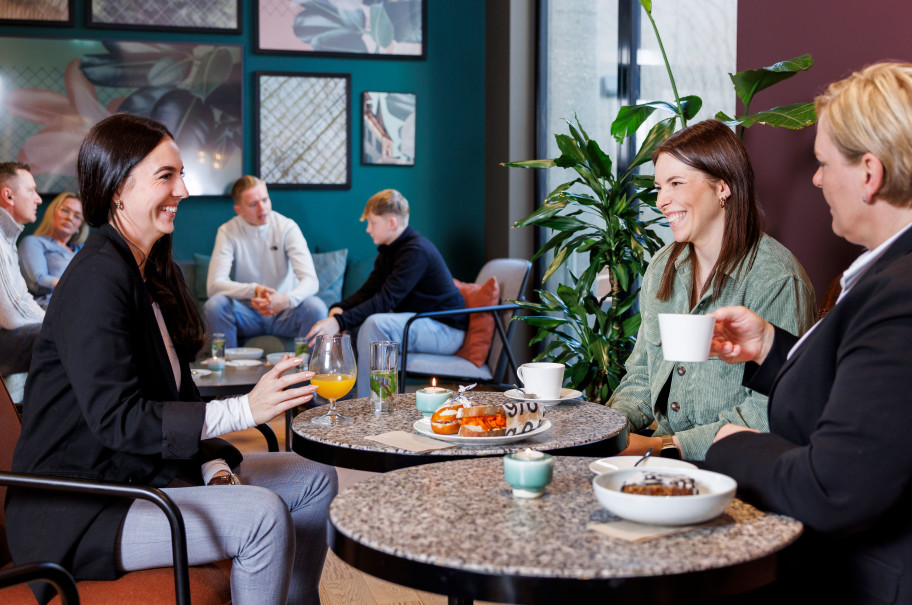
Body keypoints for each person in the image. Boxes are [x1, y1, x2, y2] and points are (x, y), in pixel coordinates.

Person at [5, 114, 337, 605]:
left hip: (140, 473)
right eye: (167, 176)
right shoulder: (95, 278)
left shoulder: (149, 272)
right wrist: (247, 408)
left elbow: (173, 399)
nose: (183, 189)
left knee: (314, 477)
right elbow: (118, 420)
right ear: (119, 187)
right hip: (84, 505)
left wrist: (211, 469)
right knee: (261, 516)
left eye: (181, 174)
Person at [705, 62, 912, 604]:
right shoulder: (890, 274)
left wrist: (733, 449)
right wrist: (772, 349)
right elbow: (870, 397)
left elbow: (833, 488)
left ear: (869, 174)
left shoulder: (900, 292)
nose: (817, 179)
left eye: (823, 164)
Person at [608, 120, 816, 461]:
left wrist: (664, 447)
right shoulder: (663, 266)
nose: (662, 200)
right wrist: (610, 430)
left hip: (736, 467)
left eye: (676, 183)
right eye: (660, 186)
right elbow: (642, 375)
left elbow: (769, 412)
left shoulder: (776, 280)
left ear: (723, 187)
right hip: (658, 457)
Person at [307, 189, 467, 398]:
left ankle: (370, 402)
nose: (368, 230)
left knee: (376, 323)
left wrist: (339, 321)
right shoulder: (388, 253)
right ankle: (351, 398)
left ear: (392, 223)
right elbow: (368, 292)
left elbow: (385, 300)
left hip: (445, 330)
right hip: (420, 322)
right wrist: (341, 308)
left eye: (372, 223)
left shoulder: (415, 252)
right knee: (364, 323)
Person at [205, 175, 328, 349]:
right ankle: (226, 370)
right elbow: (214, 286)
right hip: (247, 314)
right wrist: (254, 290)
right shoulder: (227, 231)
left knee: (316, 307)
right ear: (239, 210)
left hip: (284, 313)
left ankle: (307, 372)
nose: (263, 208)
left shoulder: (287, 227)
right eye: (253, 204)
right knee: (215, 305)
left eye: (265, 200)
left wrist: (285, 301)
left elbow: (311, 280)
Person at [0, 161, 44, 376]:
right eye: (31, 190)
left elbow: (22, 299)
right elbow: (11, 316)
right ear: (8, 196)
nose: (39, 199)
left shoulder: (7, 239)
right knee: (67, 336)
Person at [17, 191, 88, 307]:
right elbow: (36, 281)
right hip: (54, 309)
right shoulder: (34, 242)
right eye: (65, 210)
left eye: (77, 216)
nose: (70, 218)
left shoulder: (83, 251)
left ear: (79, 226)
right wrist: (77, 285)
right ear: (52, 213)